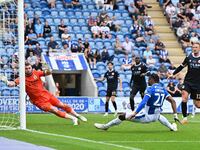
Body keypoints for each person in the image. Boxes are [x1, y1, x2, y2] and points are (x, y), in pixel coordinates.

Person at [7, 62, 87, 125]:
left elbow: (49, 72)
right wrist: (7, 82)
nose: (28, 69)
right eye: (26, 68)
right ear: (24, 70)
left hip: (47, 94)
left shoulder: (36, 73)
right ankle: (73, 119)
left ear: (32, 68)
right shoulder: (21, 78)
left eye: (29, 68)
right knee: (54, 110)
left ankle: (77, 115)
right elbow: (12, 84)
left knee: (62, 105)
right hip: (38, 101)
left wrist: (47, 66)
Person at [94, 73, 179, 132]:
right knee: (159, 116)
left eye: (149, 79)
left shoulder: (150, 89)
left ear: (152, 80)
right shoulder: (163, 89)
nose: (148, 81)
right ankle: (172, 127)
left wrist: (135, 112)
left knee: (122, 116)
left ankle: (105, 127)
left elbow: (143, 102)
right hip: (156, 116)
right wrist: (175, 114)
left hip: (146, 116)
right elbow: (173, 101)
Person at [169, 43, 200, 124]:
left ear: (199, 48)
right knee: (184, 98)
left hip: (198, 84)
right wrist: (173, 74)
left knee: (197, 105)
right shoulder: (189, 57)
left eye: (196, 47)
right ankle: (185, 118)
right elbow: (181, 66)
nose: (194, 48)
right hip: (188, 82)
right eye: (193, 47)